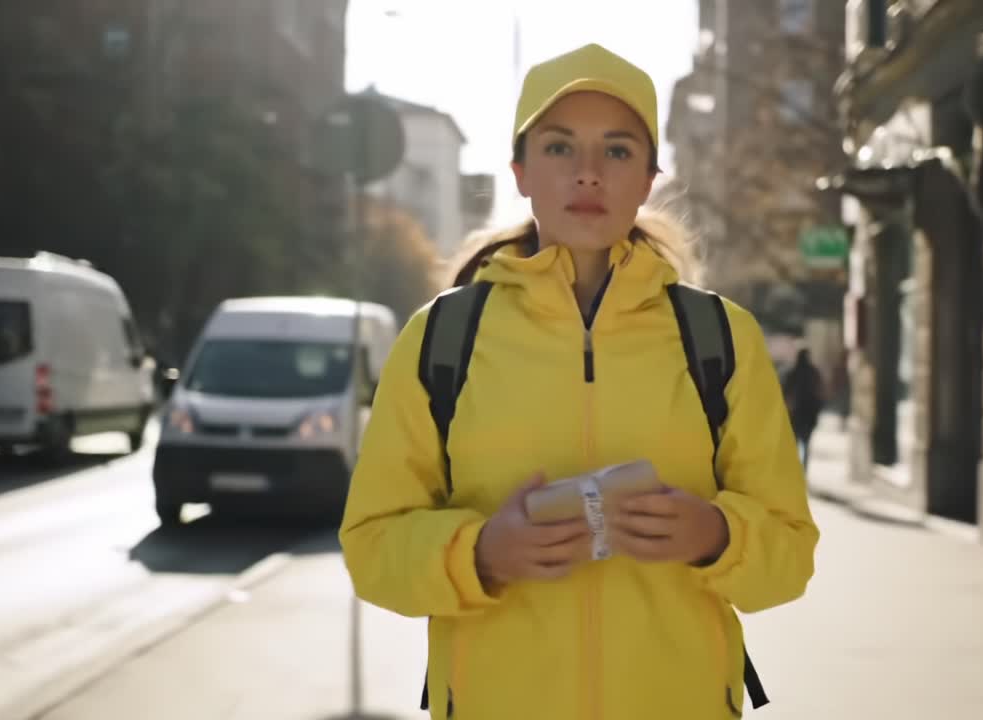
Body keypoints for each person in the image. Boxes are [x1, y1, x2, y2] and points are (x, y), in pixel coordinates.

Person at [340, 43, 819, 720]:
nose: (588, 174)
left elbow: (790, 555)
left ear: (650, 177)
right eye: (560, 148)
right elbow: (371, 546)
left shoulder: (719, 339)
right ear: (522, 171)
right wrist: (478, 553)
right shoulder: (442, 340)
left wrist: (715, 535)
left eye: (618, 151)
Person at [783, 348, 825, 470]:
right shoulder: (813, 373)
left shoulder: (792, 373)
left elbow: (785, 394)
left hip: (795, 414)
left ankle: (794, 470)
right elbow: (820, 392)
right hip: (809, 414)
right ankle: (803, 470)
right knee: (806, 444)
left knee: (794, 444)